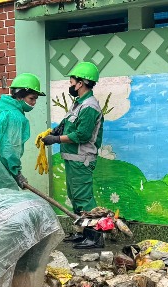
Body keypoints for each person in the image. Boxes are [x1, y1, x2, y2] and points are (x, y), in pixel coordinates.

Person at [41, 62, 104, 249]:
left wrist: (56, 139)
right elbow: (70, 125)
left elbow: (82, 135)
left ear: (81, 83)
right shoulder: (79, 104)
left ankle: (95, 237)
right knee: (75, 197)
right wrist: (57, 129)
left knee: (84, 198)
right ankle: (83, 233)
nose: (70, 85)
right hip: (73, 160)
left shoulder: (90, 106)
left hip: (82, 160)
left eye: (71, 81)